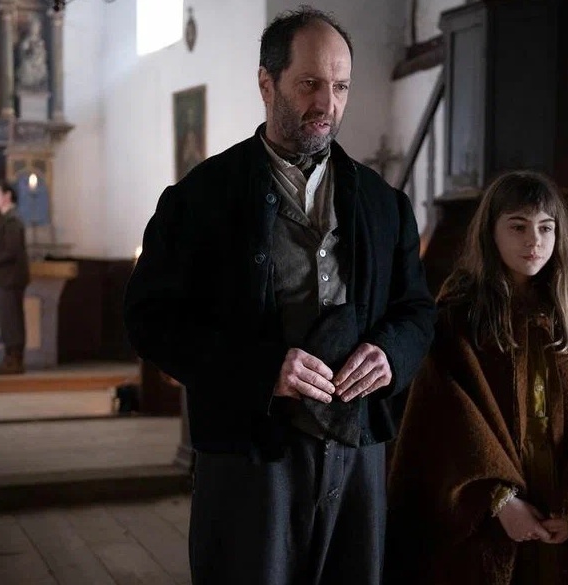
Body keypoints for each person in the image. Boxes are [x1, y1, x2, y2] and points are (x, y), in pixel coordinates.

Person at [123, 7, 435, 585]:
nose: (327, 103)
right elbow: (149, 319)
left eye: (340, 87)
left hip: (357, 455)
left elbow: (417, 310)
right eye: (310, 83)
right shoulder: (199, 198)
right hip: (248, 459)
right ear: (266, 84)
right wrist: (261, 369)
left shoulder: (383, 203)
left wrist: (391, 352)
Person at [385, 170, 568, 585]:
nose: (533, 240)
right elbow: (444, 419)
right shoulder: (459, 317)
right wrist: (499, 500)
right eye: (518, 227)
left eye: (545, 227)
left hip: (559, 497)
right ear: (491, 232)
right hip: (492, 509)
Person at [0, 181, 30, 375]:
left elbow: (12, 251)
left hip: (11, 278)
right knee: (8, 320)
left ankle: (14, 360)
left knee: (12, 320)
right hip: (6, 278)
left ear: (7, 196)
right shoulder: (5, 220)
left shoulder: (12, 221)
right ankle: (10, 358)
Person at [16, 15, 49, 90]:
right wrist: (30, 51)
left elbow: (43, 53)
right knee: (26, 66)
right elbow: (23, 51)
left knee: (43, 68)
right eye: (33, 27)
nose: (34, 29)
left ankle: (39, 83)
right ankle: (28, 84)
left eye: (36, 27)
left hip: (38, 62)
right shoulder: (27, 40)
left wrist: (39, 53)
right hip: (29, 61)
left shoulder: (40, 41)